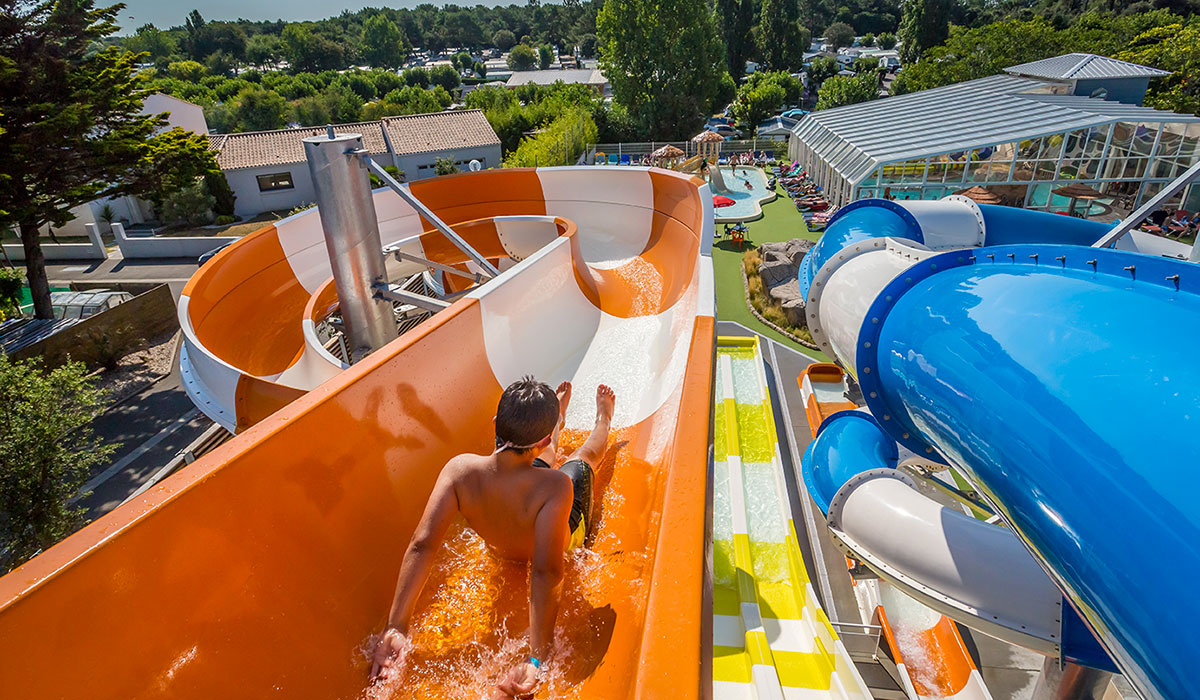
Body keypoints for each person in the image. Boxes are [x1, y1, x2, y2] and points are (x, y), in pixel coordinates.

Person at [370, 377, 616, 697]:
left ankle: (564, 419)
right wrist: (537, 658)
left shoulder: (459, 471)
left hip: (510, 519)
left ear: (496, 423)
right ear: (540, 440)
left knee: (547, 462)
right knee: (582, 460)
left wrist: (396, 626)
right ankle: (602, 420)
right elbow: (546, 570)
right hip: (552, 518)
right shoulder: (555, 487)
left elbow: (423, 544)